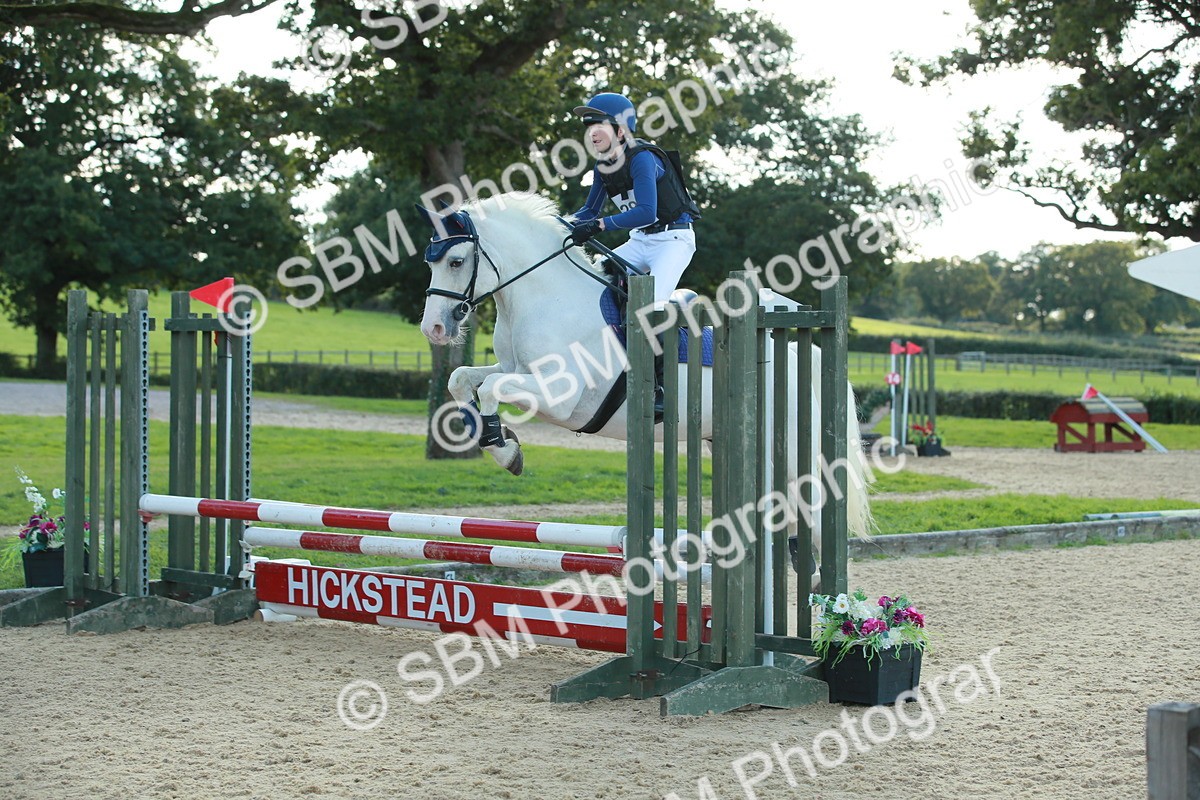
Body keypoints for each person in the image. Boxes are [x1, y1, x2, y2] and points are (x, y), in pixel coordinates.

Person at [568, 92, 702, 305]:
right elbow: (590, 211)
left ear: (621, 131)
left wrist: (599, 225)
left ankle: (676, 311)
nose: (593, 134)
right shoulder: (602, 166)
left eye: (600, 126)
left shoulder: (642, 158)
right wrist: (559, 224)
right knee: (591, 281)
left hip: (673, 240)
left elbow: (647, 213)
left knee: (652, 306)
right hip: (639, 240)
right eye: (590, 127)